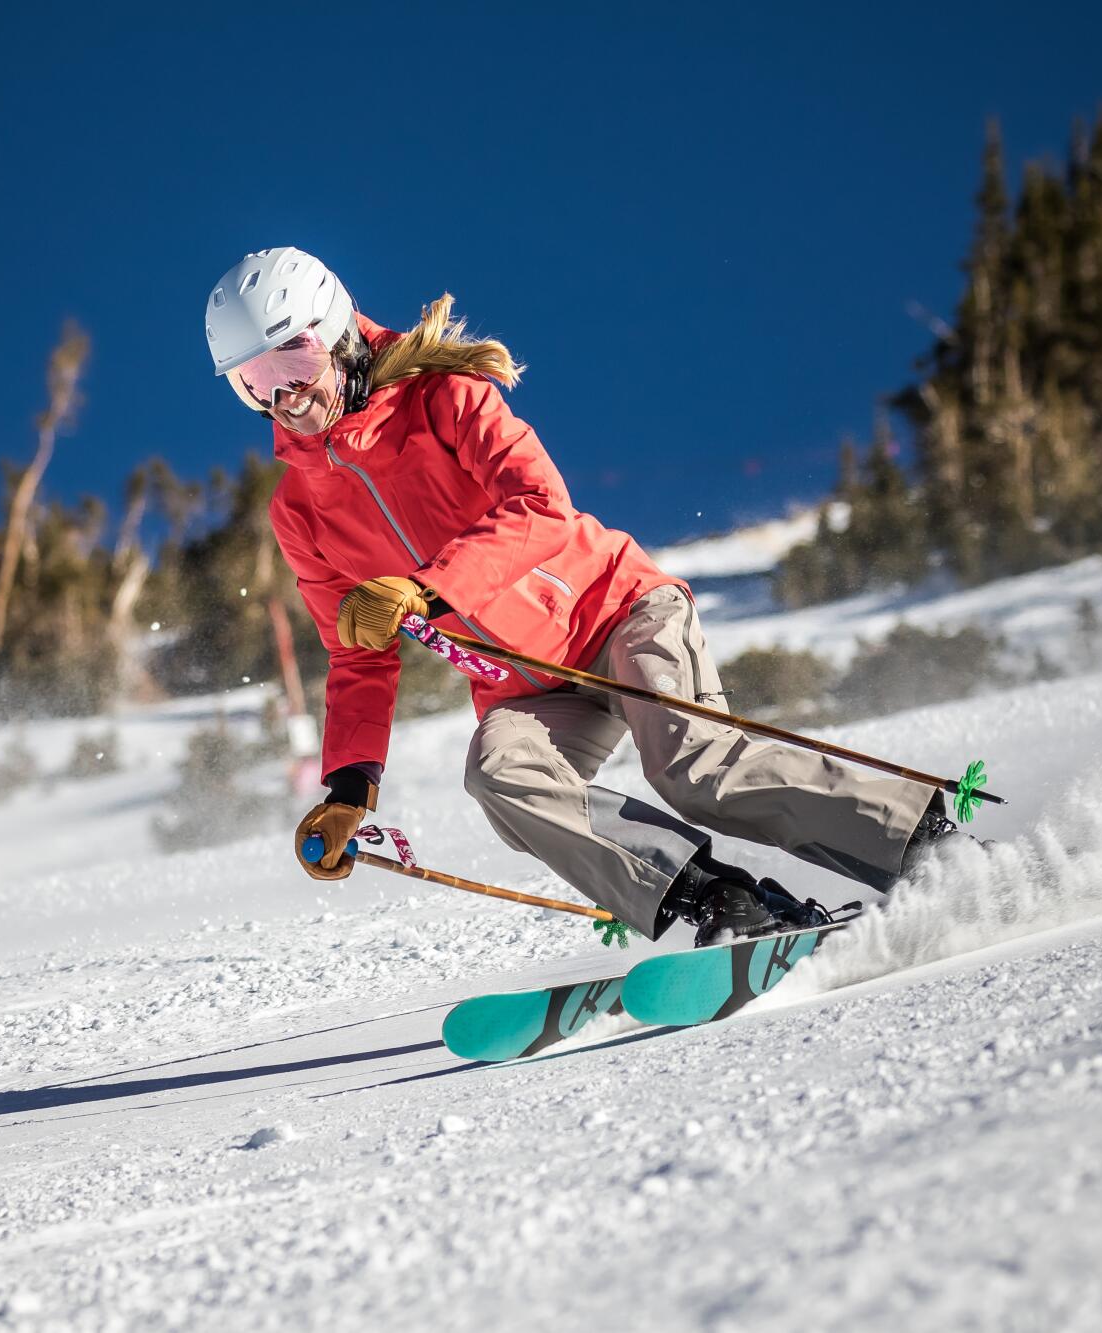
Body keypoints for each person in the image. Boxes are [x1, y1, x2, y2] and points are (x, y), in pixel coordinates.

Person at [203, 247, 959, 944]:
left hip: (614, 610)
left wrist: (429, 590)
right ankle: (719, 900)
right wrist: (348, 785)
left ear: (336, 333)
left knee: (694, 767)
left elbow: (540, 506)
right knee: (501, 775)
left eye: (292, 359)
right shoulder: (299, 510)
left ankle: (921, 843)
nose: (286, 395)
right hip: (522, 684)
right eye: (254, 383)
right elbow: (355, 658)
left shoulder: (444, 400)